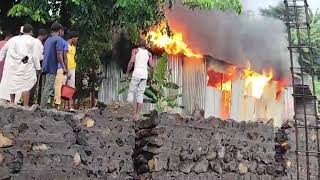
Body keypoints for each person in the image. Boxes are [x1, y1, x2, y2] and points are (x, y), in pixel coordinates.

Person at [0, 24, 41, 106]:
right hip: (26, 67)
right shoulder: (34, 41)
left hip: (13, 67)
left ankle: (12, 103)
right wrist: (38, 68)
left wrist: (1, 59)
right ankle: (25, 106)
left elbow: (3, 51)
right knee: (26, 87)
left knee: (12, 85)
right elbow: (35, 56)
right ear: (31, 31)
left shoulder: (13, 40)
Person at [40, 23, 67, 108]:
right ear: (59, 30)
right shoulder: (58, 39)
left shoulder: (48, 39)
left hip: (44, 66)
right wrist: (64, 67)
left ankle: (45, 106)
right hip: (51, 67)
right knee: (49, 88)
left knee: (45, 88)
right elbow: (59, 55)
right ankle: (43, 108)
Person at [125, 39, 154, 117]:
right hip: (144, 75)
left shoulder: (135, 50)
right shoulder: (149, 54)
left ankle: (129, 111)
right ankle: (137, 114)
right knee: (140, 94)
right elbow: (151, 66)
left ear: (138, 44)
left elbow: (131, 61)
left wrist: (127, 73)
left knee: (131, 91)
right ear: (145, 45)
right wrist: (151, 77)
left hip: (136, 74)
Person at [29, 29, 47, 106]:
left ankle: (30, 100)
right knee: (33, 84)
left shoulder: (34, 42)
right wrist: (38, 68)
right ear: (44, 35)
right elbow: (36, 56)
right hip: (35, 65)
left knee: (33, 84)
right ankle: (30, 101)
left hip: (33, 64)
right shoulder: (37, 43)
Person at [65, 31, 79, 112]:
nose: (77, 40)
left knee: (70, 87)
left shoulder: (74, 47)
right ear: (73, 37)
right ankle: (60, 106)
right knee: (63, 86)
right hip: (66, 68)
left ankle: (70, 106)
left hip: (72, 68)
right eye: (76, 39)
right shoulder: (65, 45)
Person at [54, 39, 68, 110]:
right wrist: (65, 68)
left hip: (51, 67)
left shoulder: (50, 40)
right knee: (60, 87)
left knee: (55, 87)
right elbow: (65, 57)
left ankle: (56, 104)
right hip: (60, 68)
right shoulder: (64, 42)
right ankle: (58, 105)